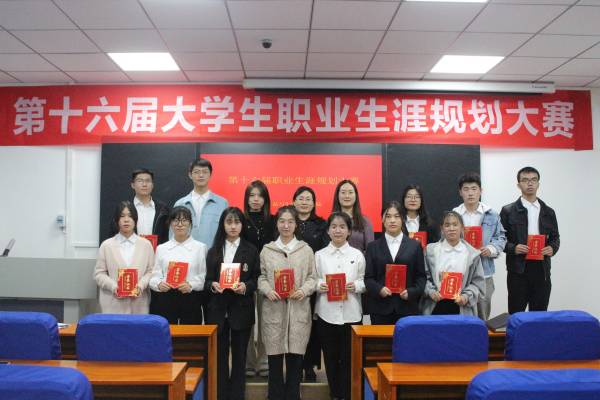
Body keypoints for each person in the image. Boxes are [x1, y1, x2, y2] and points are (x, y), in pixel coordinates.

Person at [258, 206, 317, 400]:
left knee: (295, 361)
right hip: (274, 309)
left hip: (298, 310)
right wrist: (268, 290)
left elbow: (313, 278)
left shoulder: (305, 250)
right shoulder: (267, 250)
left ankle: (293, 395)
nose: (286, 225)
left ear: (296, 225)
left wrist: (303, 290)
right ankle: (274, 396)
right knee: (274, 361)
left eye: (290, 222)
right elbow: (261, 277)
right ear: (277, 224)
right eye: (282, 221)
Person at [205, 207, 260, 400]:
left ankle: (237, 395)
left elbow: (257, 279)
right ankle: (220, 394)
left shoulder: (251, 250)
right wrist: (213, 285)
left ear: (242, 225)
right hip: (218, 310)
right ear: (223, 225)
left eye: (237, 222)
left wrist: (245, 286)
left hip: (241, 309)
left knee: (239, 358)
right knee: (219, 357)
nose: (233, 226)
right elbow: (206, 280)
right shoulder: (213, 250)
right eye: (229, 222)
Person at [315, 212, 366, 400]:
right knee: (330, 357)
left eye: (342, 227)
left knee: (348, 358)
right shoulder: (319, 255)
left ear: (349, 231)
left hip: (351, 313)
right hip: (326, 313)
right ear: (328, 231)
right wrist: (319, 285)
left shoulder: (357, 255)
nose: (338, 230)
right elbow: (313, 279)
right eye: (334, 227)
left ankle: (346, 394)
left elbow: (363, 280)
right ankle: (334, 394)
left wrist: (356, 286)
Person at [500, 167, 560, 313]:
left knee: (539, 315)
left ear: (538, 183)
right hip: (518, 269)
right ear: (518, 185)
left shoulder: (548, 212)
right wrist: (513, 248)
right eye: (525, 180)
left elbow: (555, 237)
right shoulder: (508, 211)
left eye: (533, 180)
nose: (530, 183)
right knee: (516, 314)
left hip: (542, 268)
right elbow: (499, 239)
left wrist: (552, 248)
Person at [453, 173, 506, 320]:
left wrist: (491, 249)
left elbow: (500, 237)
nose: (470, 193)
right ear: (460, 192)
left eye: (474, 189)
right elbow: (444, 240)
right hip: (460, 272)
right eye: (466, 189)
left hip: (485, 271)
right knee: (460, 313)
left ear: (480, 191)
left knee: (483, 313)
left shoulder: (491, 214)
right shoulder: (454, 215)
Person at [365, 201, 426, 324]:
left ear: (403, 219)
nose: (392, 220)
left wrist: (411, 292)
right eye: (388, 216)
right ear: (382, 219)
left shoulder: (415, 246)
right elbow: (368, 278)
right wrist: (379, 289)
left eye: (397, 216)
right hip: (380, 308)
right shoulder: (372, 247)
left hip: (407, 308)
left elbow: (421, 277)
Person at [148, 206, 206, 324]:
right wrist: (159, 284)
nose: (180, 224)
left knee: (190, 334)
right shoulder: (161, 248)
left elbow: (203, 277)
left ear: (190, 223)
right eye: (175, 220)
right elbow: (154, 276)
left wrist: (191, 285)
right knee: (167, 333)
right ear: (170, 223)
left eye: (184, 220)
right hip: (166, 298)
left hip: (190, 298)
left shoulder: (200, 248)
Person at [94, 201, 154, 314]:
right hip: (113, 305)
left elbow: (151, 271)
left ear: (135, 220)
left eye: (130, 216)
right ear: (117, 220)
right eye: (122, 216)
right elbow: (99, 274)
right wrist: (113, 287)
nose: (126, 220)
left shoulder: (146, 245)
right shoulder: (106, 245)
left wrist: (140, 286)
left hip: (139, 304)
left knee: (137, 326)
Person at [421, 211, 485, 316]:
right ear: (442, 229)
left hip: (462, 307)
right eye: (447, 225)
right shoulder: (430, 251)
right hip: (435, 304)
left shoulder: (472, 254)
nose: (451, 228)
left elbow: (478, 283)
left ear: (462, 228)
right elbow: (423, 277)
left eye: (455, 224)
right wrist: (431, 292)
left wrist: (466, 297)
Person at [292, 186, 327, 381]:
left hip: (312, 282)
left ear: (314, 203)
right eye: (301, 198)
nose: (304, 202)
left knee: (312, 326)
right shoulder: (288, 221)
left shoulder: (321, 224)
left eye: (308, 199)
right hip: (290, 281)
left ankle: (309, 365)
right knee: (294, 325)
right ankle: (295, 365)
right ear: (294, 201)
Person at [242, 180, 275, 378]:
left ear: (265, 199)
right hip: (246, 278)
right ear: (247, 199)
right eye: (252, 195)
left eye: (260, 196)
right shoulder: (241, 220)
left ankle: (263, 361)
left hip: (268, 278)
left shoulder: (273, 220)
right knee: (246, 321)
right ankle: (248, 362)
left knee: (266, 322)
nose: (256, 199)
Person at [173, 158, 228, 248]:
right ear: (190, 175)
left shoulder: (222, 203)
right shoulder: (180, 204)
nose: (201, 175)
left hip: (213, 254)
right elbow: (172, 234)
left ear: (210, 175)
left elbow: (226, 233)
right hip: (185, 254)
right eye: (197, 172)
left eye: (205, 172)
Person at [332, 179, 374, 253]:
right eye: (343, 192)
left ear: (356, 195)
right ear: (337, 196)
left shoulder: (365, 222)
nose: (347, 196)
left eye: (350, 192)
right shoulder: (330, 221)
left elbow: (370, 251)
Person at [130, 168, 170, 245]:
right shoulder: (125, 208)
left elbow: (167, 235)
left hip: (157, 251)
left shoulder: (163, 209)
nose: (144, 184)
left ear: (152, 185)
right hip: (131, 251)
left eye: (148, 181)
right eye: (140, 181)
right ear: (133, 185)